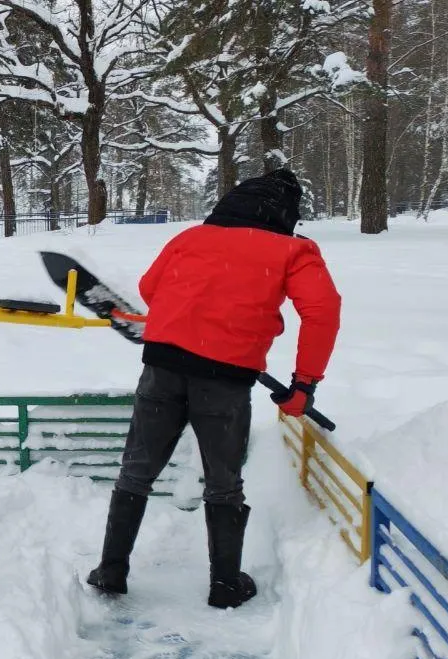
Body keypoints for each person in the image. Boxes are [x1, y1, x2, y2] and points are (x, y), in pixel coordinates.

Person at [86, 168, 341, 609]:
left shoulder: (191, 238)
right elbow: (323, 311)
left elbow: (149, 288)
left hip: (162, 367)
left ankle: (111, 571)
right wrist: (304, 384)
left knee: (137, 470)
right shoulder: (295, 251)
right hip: (224, 380)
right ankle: (224, 585)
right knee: (223, 484)